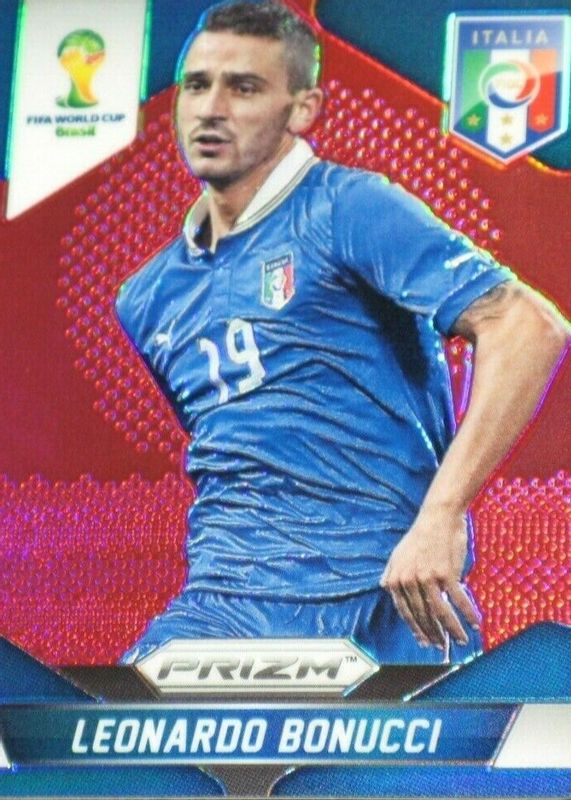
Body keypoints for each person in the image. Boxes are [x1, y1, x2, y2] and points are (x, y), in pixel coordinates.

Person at [116, 0, 568, 664]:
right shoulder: (146, 298)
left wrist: (441, 515)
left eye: (244, 87)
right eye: (197, 85)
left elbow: (527, 324)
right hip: (220, 606)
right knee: (98, 730)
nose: (211, 109)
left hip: (384, 600)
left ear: (302, 109)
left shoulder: (348, 208)